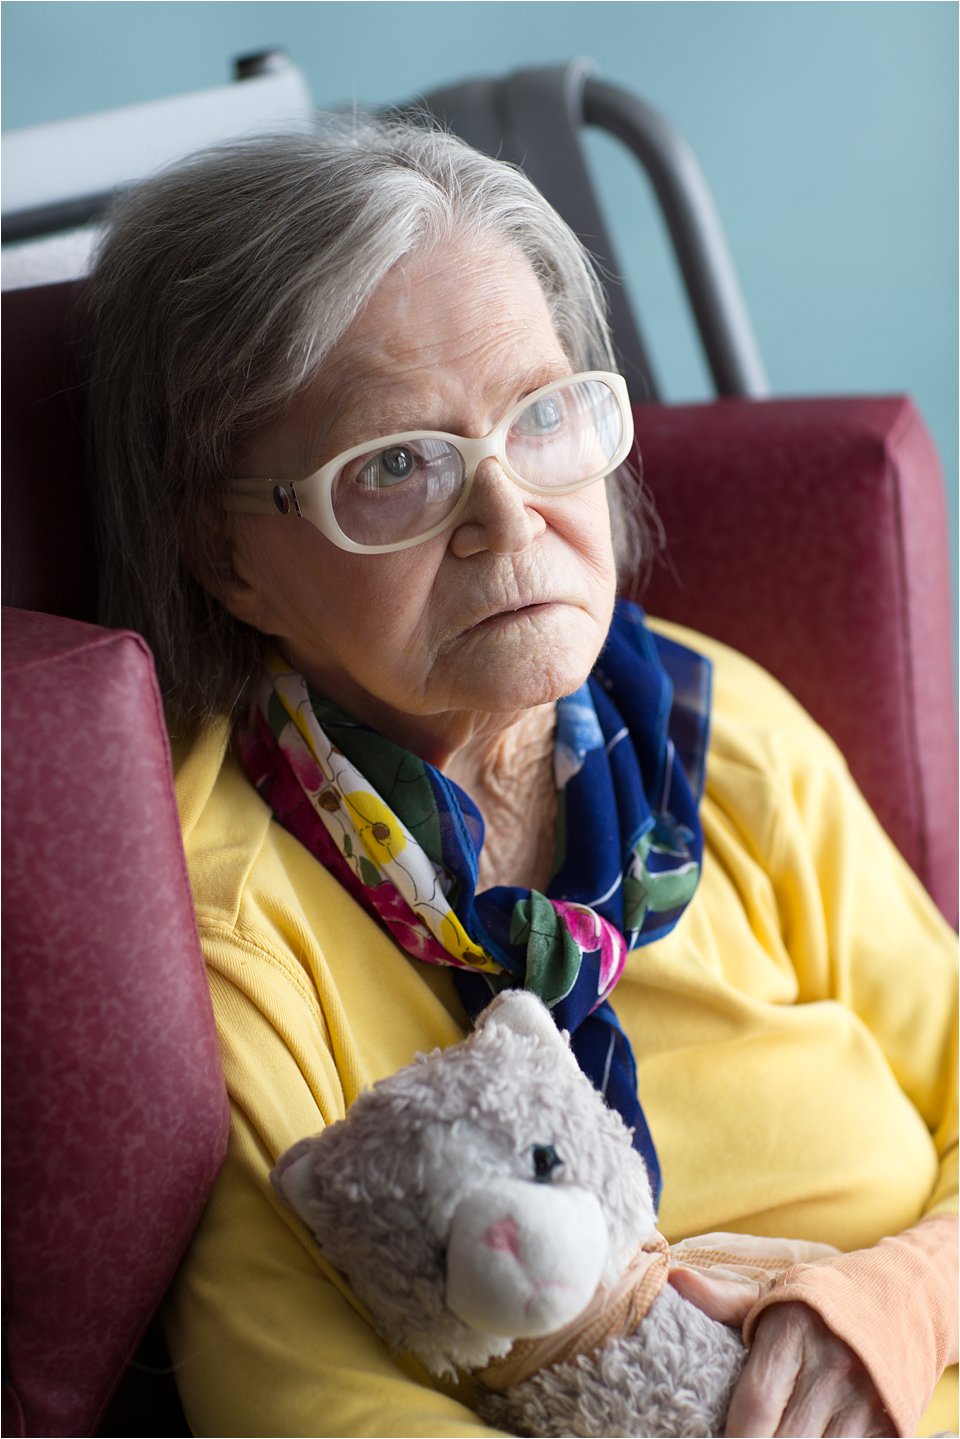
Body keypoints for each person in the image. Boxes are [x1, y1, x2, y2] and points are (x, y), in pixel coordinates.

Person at [81, 118, 956, 1438]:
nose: (509, 518)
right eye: (397, 467)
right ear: (229, 556)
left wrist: (905, 1302)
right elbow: (312, 1408)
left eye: (542, 416)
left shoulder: (713, 734)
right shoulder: (216, 932)